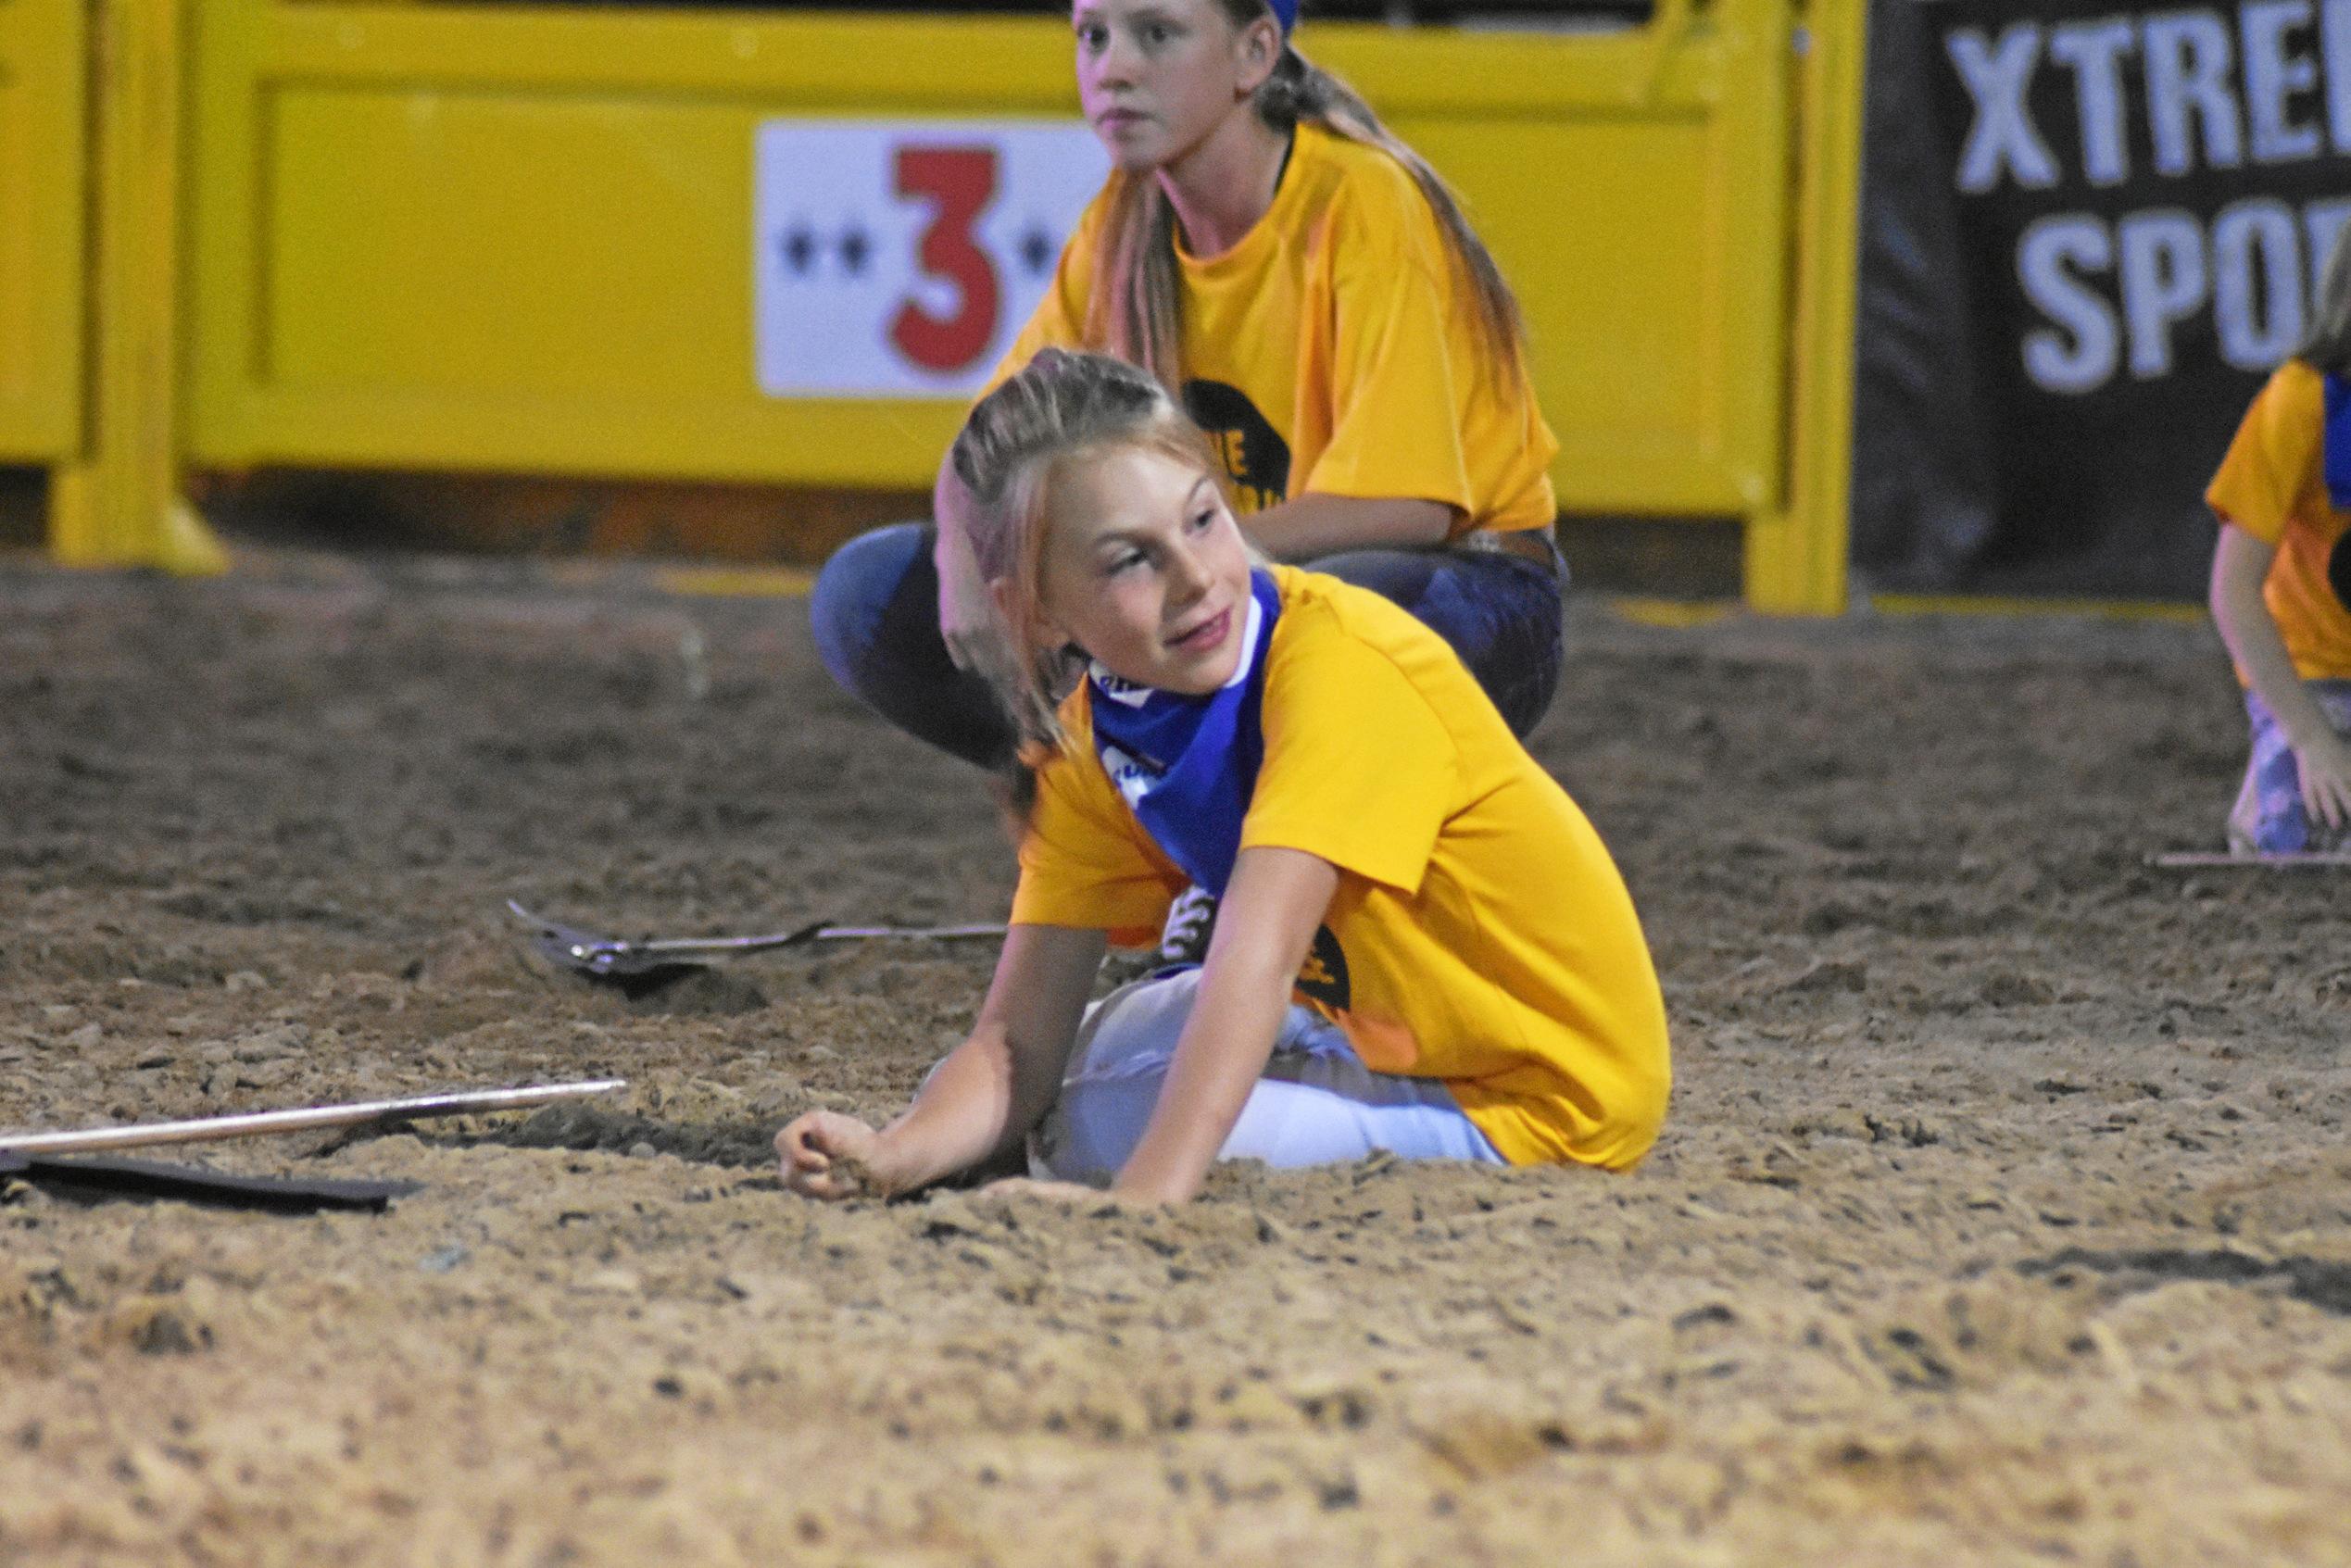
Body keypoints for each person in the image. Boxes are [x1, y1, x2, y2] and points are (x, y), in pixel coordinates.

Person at [776, 351, 1667, 1205]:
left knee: (1085, 1133)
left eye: (1204, 520)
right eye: (1131, 559)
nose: (1198, 578)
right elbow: (1014, 1041)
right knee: (982, 1096)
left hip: (1537, 1096)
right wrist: (890, 1154)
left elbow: (1258, 958)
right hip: (1377, 1019)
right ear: (1035, 613)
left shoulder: (1341, 664)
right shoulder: (1094, 732)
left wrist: (1145, 1199)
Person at [810, 0, 1567, 778]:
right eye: (1093, 36)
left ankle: (1239, 834)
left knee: (1317, 630)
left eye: (1158, 34)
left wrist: (1161, 572)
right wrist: (968, 567)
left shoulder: (1361, 201)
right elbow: (990, 444)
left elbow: (1407, 507)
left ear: (1255, 54)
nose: (1114, 68)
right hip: (1235, 581)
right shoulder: (1122, 222)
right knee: (868, 597)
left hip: (1461, 591)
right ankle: (1124, 813)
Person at [2206, 229, 2351, 854]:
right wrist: (2311, 737)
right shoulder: (2301, 402)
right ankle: (2267, 796)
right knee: (2316, 836)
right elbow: (2233, 591)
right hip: (2319, 678)